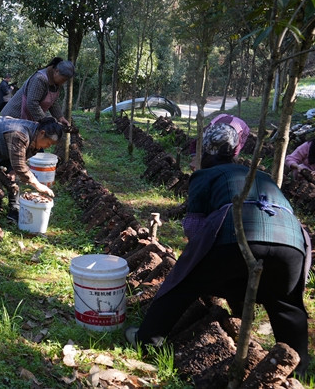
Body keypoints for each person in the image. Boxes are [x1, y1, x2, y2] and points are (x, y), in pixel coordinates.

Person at [125, 121, 311, 377]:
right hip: (291, 243)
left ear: (207, 152)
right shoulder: (263, 175)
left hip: (236, 234)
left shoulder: (205, 175)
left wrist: (197, 264)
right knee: (287, 305)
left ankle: (147, 340)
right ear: (235, 151)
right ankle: (297, 371)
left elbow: (194, 226)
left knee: (184, 283)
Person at [0, 57, 75, 125]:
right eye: (63, 79)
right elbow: (32, 103)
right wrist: (45, 121)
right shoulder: (40, 79)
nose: (63, 82)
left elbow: (52, 102)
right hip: (12, 119)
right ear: (56, 71)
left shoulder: (56, 83)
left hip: (26, 120)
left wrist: (60, 117)